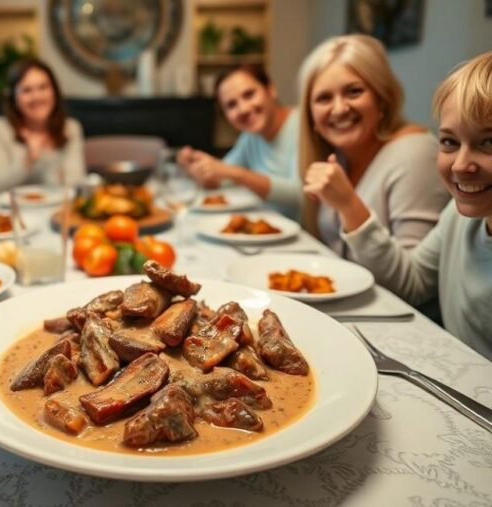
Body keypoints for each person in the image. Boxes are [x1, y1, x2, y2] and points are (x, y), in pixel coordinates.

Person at [330, 51, 492, 360]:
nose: (461, 165)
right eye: (449, 142)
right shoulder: (459, 217)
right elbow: (413, 282)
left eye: (489, 142)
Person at [300, 34, 449, 259]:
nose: (339, 109)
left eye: (354, 91)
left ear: (382, 99)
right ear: (311, 116)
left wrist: (349, 205)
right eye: (324, 98)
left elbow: (415, 288)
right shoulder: (338, 157)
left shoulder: (414, 154)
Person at [176, 64, 300, 217]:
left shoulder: (301, 126)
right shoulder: (251, 135)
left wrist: (236, 174)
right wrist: (194, 164)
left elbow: (301, 195)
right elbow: (219, 180)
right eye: (231, 105)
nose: (243, 109)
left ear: (271, 89)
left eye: (249, 95)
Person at [0, 58, 85, 195]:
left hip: (58, 211)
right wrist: (27, 161)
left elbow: (75, 184)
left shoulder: (71, 128)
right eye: (27, 90)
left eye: (43, 87)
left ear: (54, 91)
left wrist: (43, 163)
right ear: (13, 96)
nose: (37, 96)